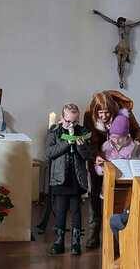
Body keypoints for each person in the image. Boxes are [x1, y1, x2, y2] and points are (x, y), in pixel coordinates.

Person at [84, 90, 140, 249]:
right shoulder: (89, 115)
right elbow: (91, 140)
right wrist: (96, 155)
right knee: (96, 194)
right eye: (100, 113)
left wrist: (137, 143)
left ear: (113, 109)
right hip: (101, 157)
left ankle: (117, 231)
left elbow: (137, 130)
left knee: (120, 193)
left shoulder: (124, 112)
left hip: (124, 153)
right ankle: (94, 232)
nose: (103, 116)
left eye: (106, 112)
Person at [46, 104, 92, 256]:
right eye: (68, 121)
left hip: (76, 177)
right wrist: (67, 143)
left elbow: (87, 155)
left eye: (74, 122)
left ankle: (75, 242)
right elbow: (49, 152)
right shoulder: (55, 131)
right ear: (61, 118)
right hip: (60, 177)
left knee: (76, 210)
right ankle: (59, 241)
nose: (71, 125)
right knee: (60, 210)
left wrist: (80, 146)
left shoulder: (83, 132)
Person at [92, 10, 140, 88]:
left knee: (122, 64)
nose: (122, 23)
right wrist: (98, 13)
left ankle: (121, 80)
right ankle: (121, 80)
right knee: (119, 65)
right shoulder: (118, 27)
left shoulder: (129, 27)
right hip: (119, 48)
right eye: (121, 22)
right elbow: (108, 19)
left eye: (123, 22)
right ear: (119, 22)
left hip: (126, 49)